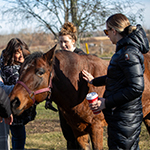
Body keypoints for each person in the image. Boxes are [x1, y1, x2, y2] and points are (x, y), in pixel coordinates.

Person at [82, 13, 149, 150]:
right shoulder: (124, 51)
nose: (107, 35)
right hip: (120, 115)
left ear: (114, 31)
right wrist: (94, 81)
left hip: (125, 116)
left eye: (107, 31)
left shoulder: (128, 54)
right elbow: (118, 78)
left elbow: (136, 88)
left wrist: (106, 102)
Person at [45, 22, 86, 149]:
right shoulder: (58, 58)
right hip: (63, 106)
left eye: (66, 41)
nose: (63, 45)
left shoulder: (81, 57)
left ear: (73, 41)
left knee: (81, 138)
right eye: (61, 42)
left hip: (79, 106)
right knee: (69, 137)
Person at [0, 38, 37, 150]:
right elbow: (2, 88)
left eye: (22, 52)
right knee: (18, 137)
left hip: (20, 109)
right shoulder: (7, 69)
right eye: (17, 53)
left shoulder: (25, 66)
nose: (21, 56)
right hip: (11, 108)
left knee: (17, 136)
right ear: (11, 53)